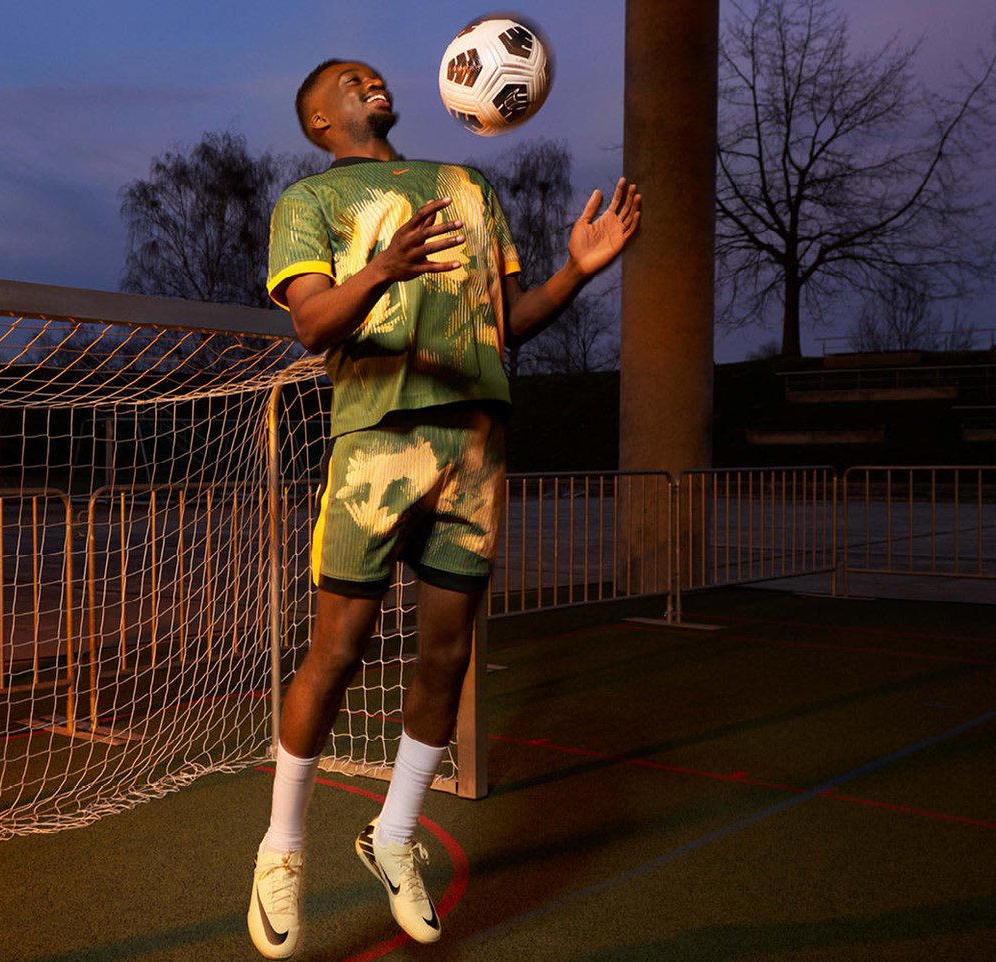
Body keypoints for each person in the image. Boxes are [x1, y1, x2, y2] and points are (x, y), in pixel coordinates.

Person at [247, 58, 640, 958]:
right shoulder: (310, 201)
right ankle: (282, 848)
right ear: (319, 117)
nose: (373, 82)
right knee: (338, 649)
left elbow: (506, 319)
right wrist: (383, 268)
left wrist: (576, 272)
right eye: (352, 80)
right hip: (376, 442)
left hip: (476, 443)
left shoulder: (466, 185)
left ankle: (394, 835)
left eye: (376, 75)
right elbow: (311, 326)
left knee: (447, 656)